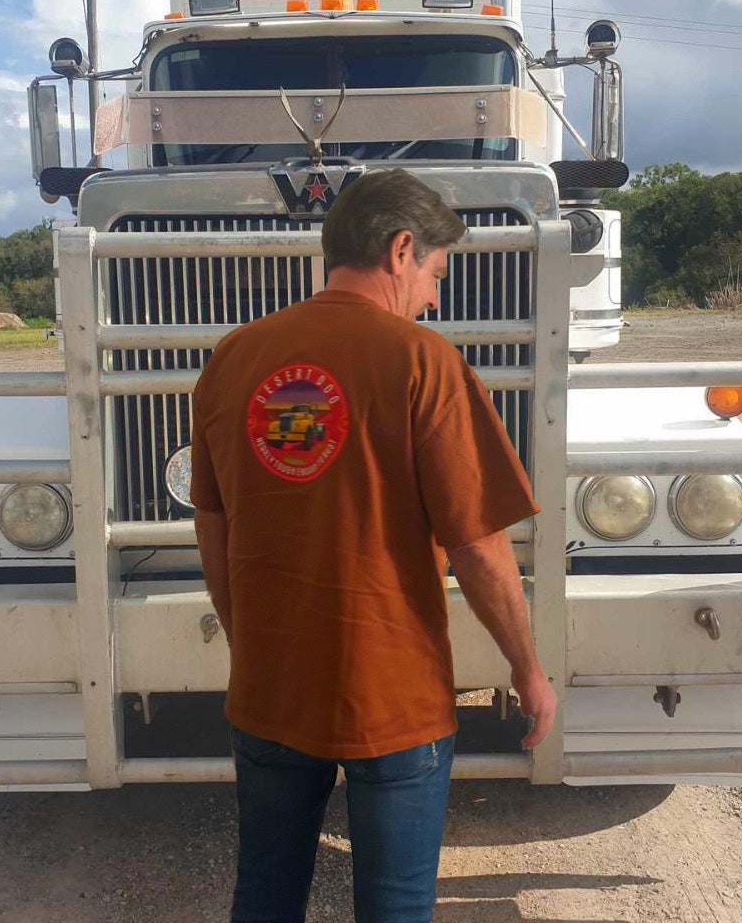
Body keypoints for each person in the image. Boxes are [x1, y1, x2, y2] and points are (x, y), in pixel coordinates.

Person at [190, 167, 557, 923]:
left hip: (270, 689)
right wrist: (528, 669)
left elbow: (214, 522)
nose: (434, 296)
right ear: (399, 250)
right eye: (434, 272)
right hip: (393, 697)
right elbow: (479, 547)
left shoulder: (234, 357)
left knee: (263, 893)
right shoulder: (425, 363)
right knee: (393, 906)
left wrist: (248, 644)